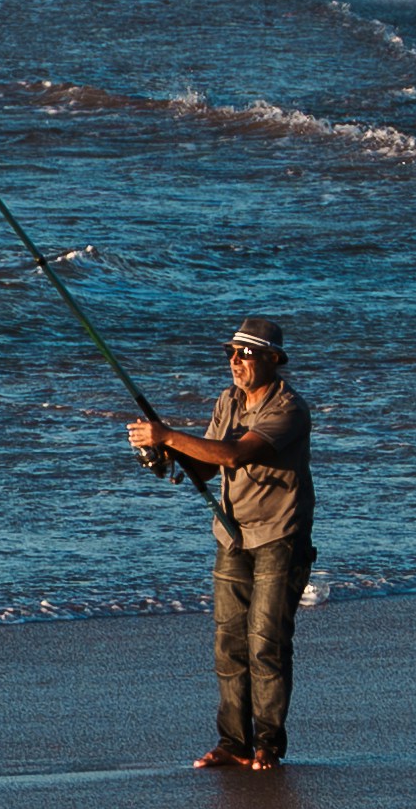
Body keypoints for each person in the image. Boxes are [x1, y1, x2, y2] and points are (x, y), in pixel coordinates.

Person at [126, 316, 315, 771]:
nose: (235, 361)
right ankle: (233, 743)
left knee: (265, 643)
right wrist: (166, 456)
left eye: (246, 353)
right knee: (228, 644)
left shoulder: (288, 408)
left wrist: (168, 435)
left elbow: (236, 453)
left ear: (272, 359)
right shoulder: (227, 401)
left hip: (279, 536)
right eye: (231, 352)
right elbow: (210, 467)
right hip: (232, 535)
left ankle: (268, 745)